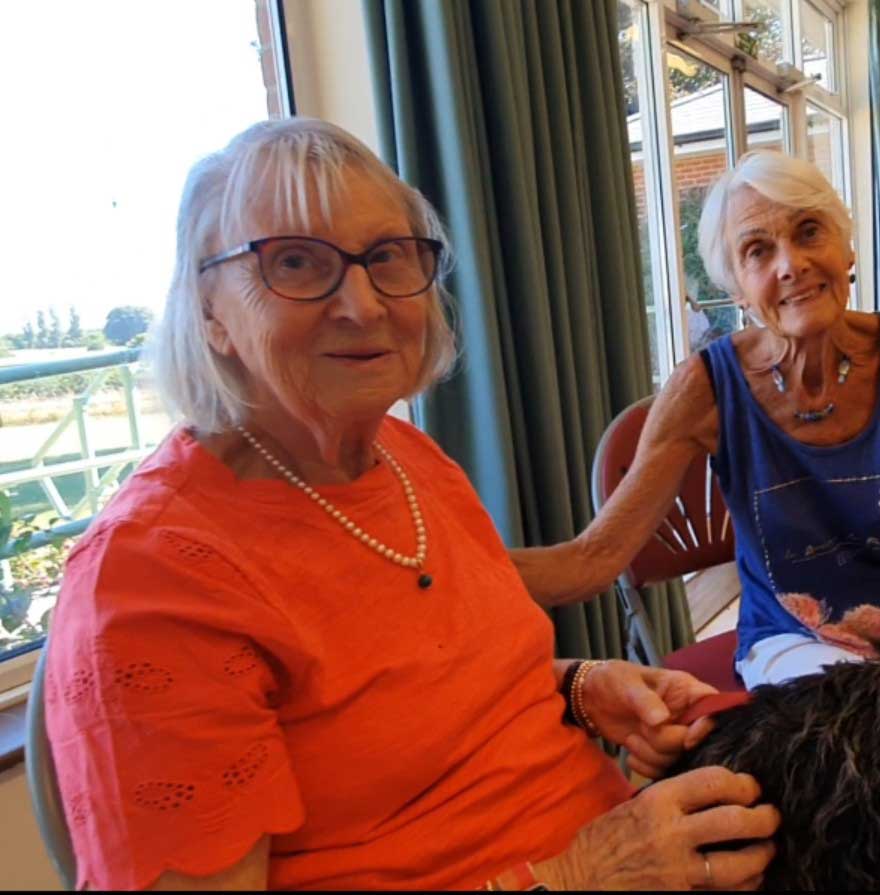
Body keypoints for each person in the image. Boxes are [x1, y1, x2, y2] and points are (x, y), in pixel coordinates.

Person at [41, 118, 779, 891]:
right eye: (295, 261)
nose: (361, 303)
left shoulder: (407, 457)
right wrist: (577, 874)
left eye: (387, 257)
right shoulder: (154, 578)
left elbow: (430, 693)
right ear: (209, 309)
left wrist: (583, 687)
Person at [512, 151, 880, 690]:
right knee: (867, 733)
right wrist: (443, 568)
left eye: (809, 232)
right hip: (792, 645)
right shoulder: (704, 388)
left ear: (846, 247)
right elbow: (593, 560)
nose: (790, 264)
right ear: (737, 287)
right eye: (758, 251)